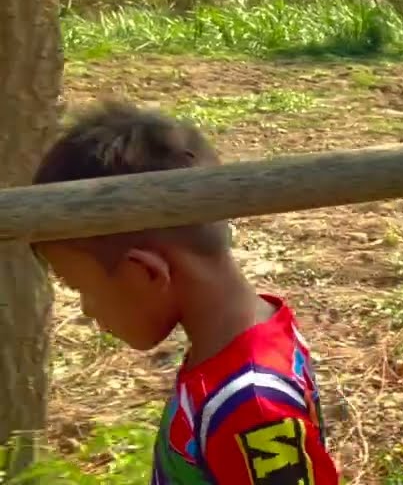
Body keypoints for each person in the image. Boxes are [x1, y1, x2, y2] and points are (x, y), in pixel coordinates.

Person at [31, 101, 338, 484]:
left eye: (81, 288)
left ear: (145, 273)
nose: (88, 310)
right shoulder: (246, 341)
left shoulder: (254, 406)